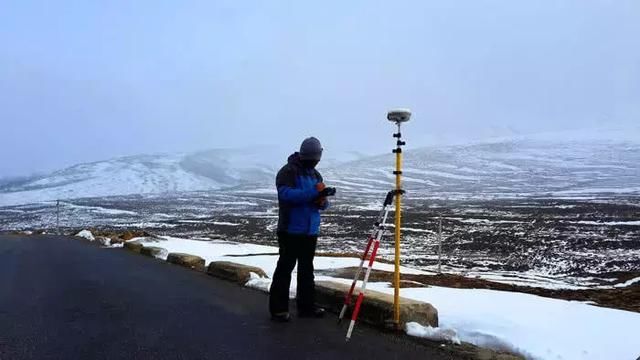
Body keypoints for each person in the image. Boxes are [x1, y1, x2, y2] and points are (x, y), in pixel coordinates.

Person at [269, 137, 336, 322]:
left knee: (307, 270)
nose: (315, 160)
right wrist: (315, 193)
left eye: (318, 157)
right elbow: (287, 195)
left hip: (310, 231)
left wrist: (323, 200)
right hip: (290, 229)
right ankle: (278, 309)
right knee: (285, 268)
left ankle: (306, 307)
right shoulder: (288, 171)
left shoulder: (316, 175)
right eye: (313, 157)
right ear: (304, 155)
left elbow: (321, 204)